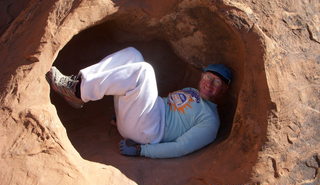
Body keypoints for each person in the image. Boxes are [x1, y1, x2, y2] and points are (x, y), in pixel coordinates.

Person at [46, 47, 232, 158]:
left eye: (217, 82)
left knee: (144, 71)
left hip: (149, 133)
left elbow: (181, 147)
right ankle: (78, 84)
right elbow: (165, 103)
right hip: (144, 117)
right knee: (132, 55)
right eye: (208, 77)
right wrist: (126, 113)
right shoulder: (192, 92)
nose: (209, 83)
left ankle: (78, 91)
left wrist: (141, 151)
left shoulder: (210, 120)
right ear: (201, 78)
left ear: (224, 90)